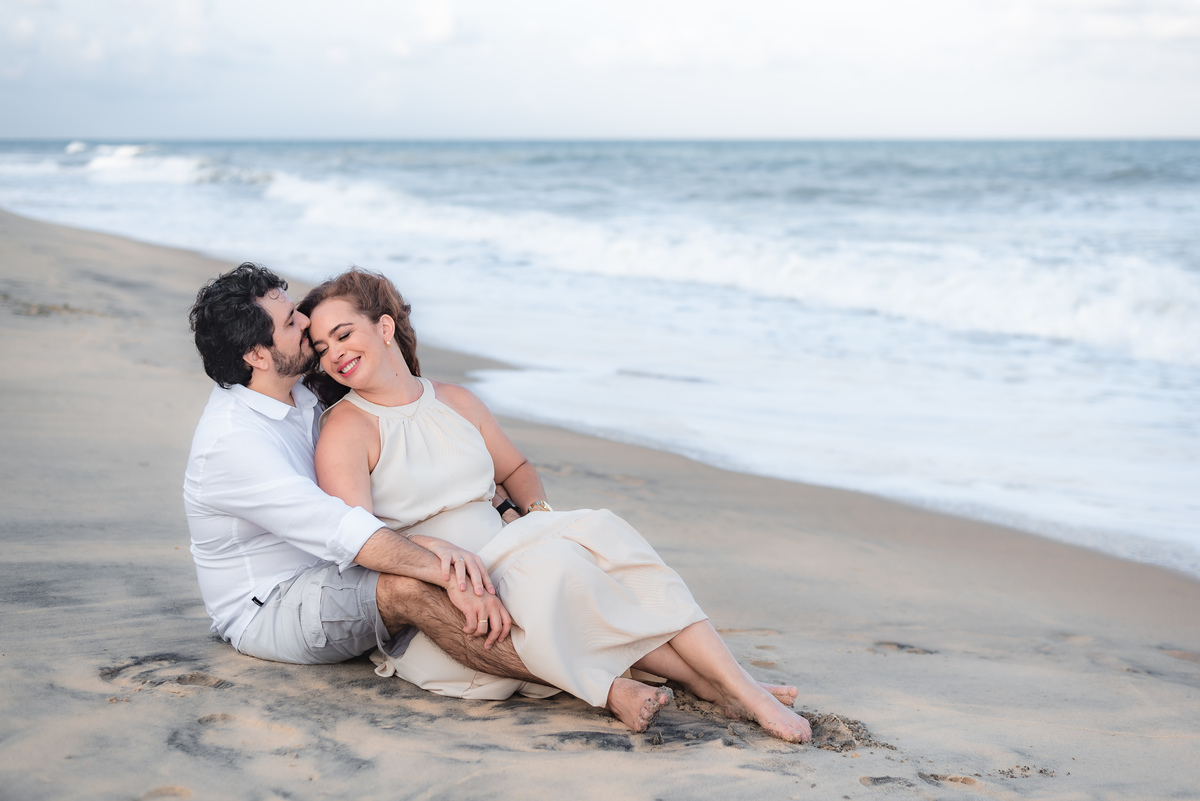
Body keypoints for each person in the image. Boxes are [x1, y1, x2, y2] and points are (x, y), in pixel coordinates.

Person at [298, 268, 813, 744]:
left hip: (514, 550)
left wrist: (538, 515)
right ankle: (725, 683)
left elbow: (517, 471)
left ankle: (732, 684)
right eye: (321, 348)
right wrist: (435, 551)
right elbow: (360, 539)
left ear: (384, 327)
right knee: (565, 569)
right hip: (450, 602)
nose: (333, 354)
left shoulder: (455, 400)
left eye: (343, 334)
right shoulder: (345, 429)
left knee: (599, 534)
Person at [184, 264, 554, 706]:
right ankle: (581, 679)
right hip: (273, 604)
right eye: (290, 323)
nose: (305, 321)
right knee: (411, 587)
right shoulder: (234, 444)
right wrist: (449, 571)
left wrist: (503, 505)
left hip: (337, 564)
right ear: (258, 357)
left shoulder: (301, 388)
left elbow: (404, 419)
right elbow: (347, 531)